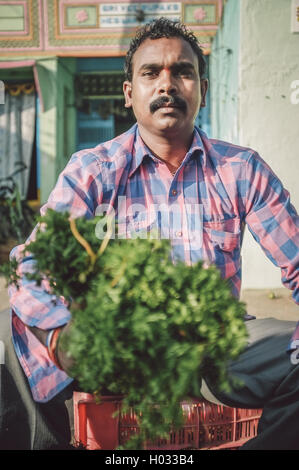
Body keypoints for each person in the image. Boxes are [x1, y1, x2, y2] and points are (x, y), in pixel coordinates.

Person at [1, 17, 298, 450]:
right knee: (17, 330)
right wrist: (62, 334)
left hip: (218, 347)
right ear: (129, 93)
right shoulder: (94, 171)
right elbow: (34, 263)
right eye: (151, 73)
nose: (167, 84)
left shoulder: (241, 169)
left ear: (202, 88)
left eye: (182, 71)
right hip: (121, 346)